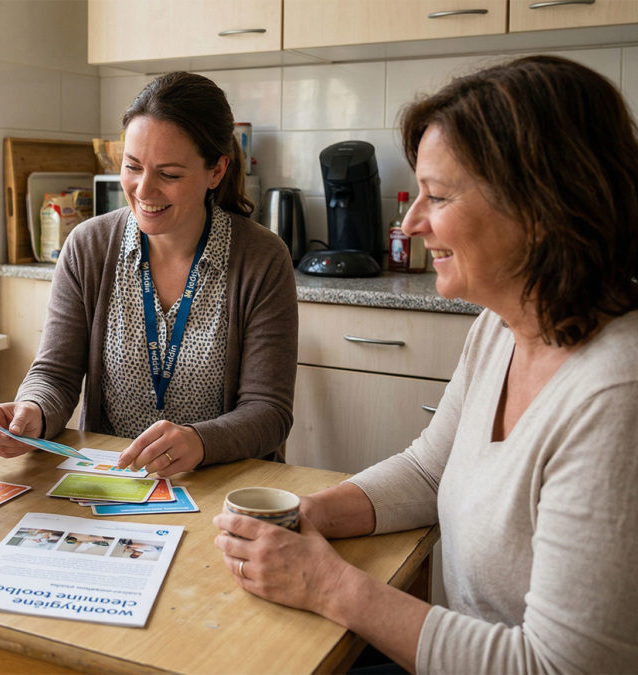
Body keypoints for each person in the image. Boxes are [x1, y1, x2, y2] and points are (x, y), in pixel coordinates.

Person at [213, 54, 638, 672]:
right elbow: (429, 471)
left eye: (437, 196)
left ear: (542, 210)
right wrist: (308, 514)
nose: (409, 223)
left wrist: (328, 584)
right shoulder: (502, 327)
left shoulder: (616, 396)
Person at [0, 72, 298, 476]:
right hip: (112, 481)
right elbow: (55, 374)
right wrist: (33, 410)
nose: (144, 190)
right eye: (132, 167)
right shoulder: (89, 247)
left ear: (216, 171)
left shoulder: (261, 258)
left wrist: (200, 441)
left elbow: (268, 412)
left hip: (222, 484)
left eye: (169, 174)